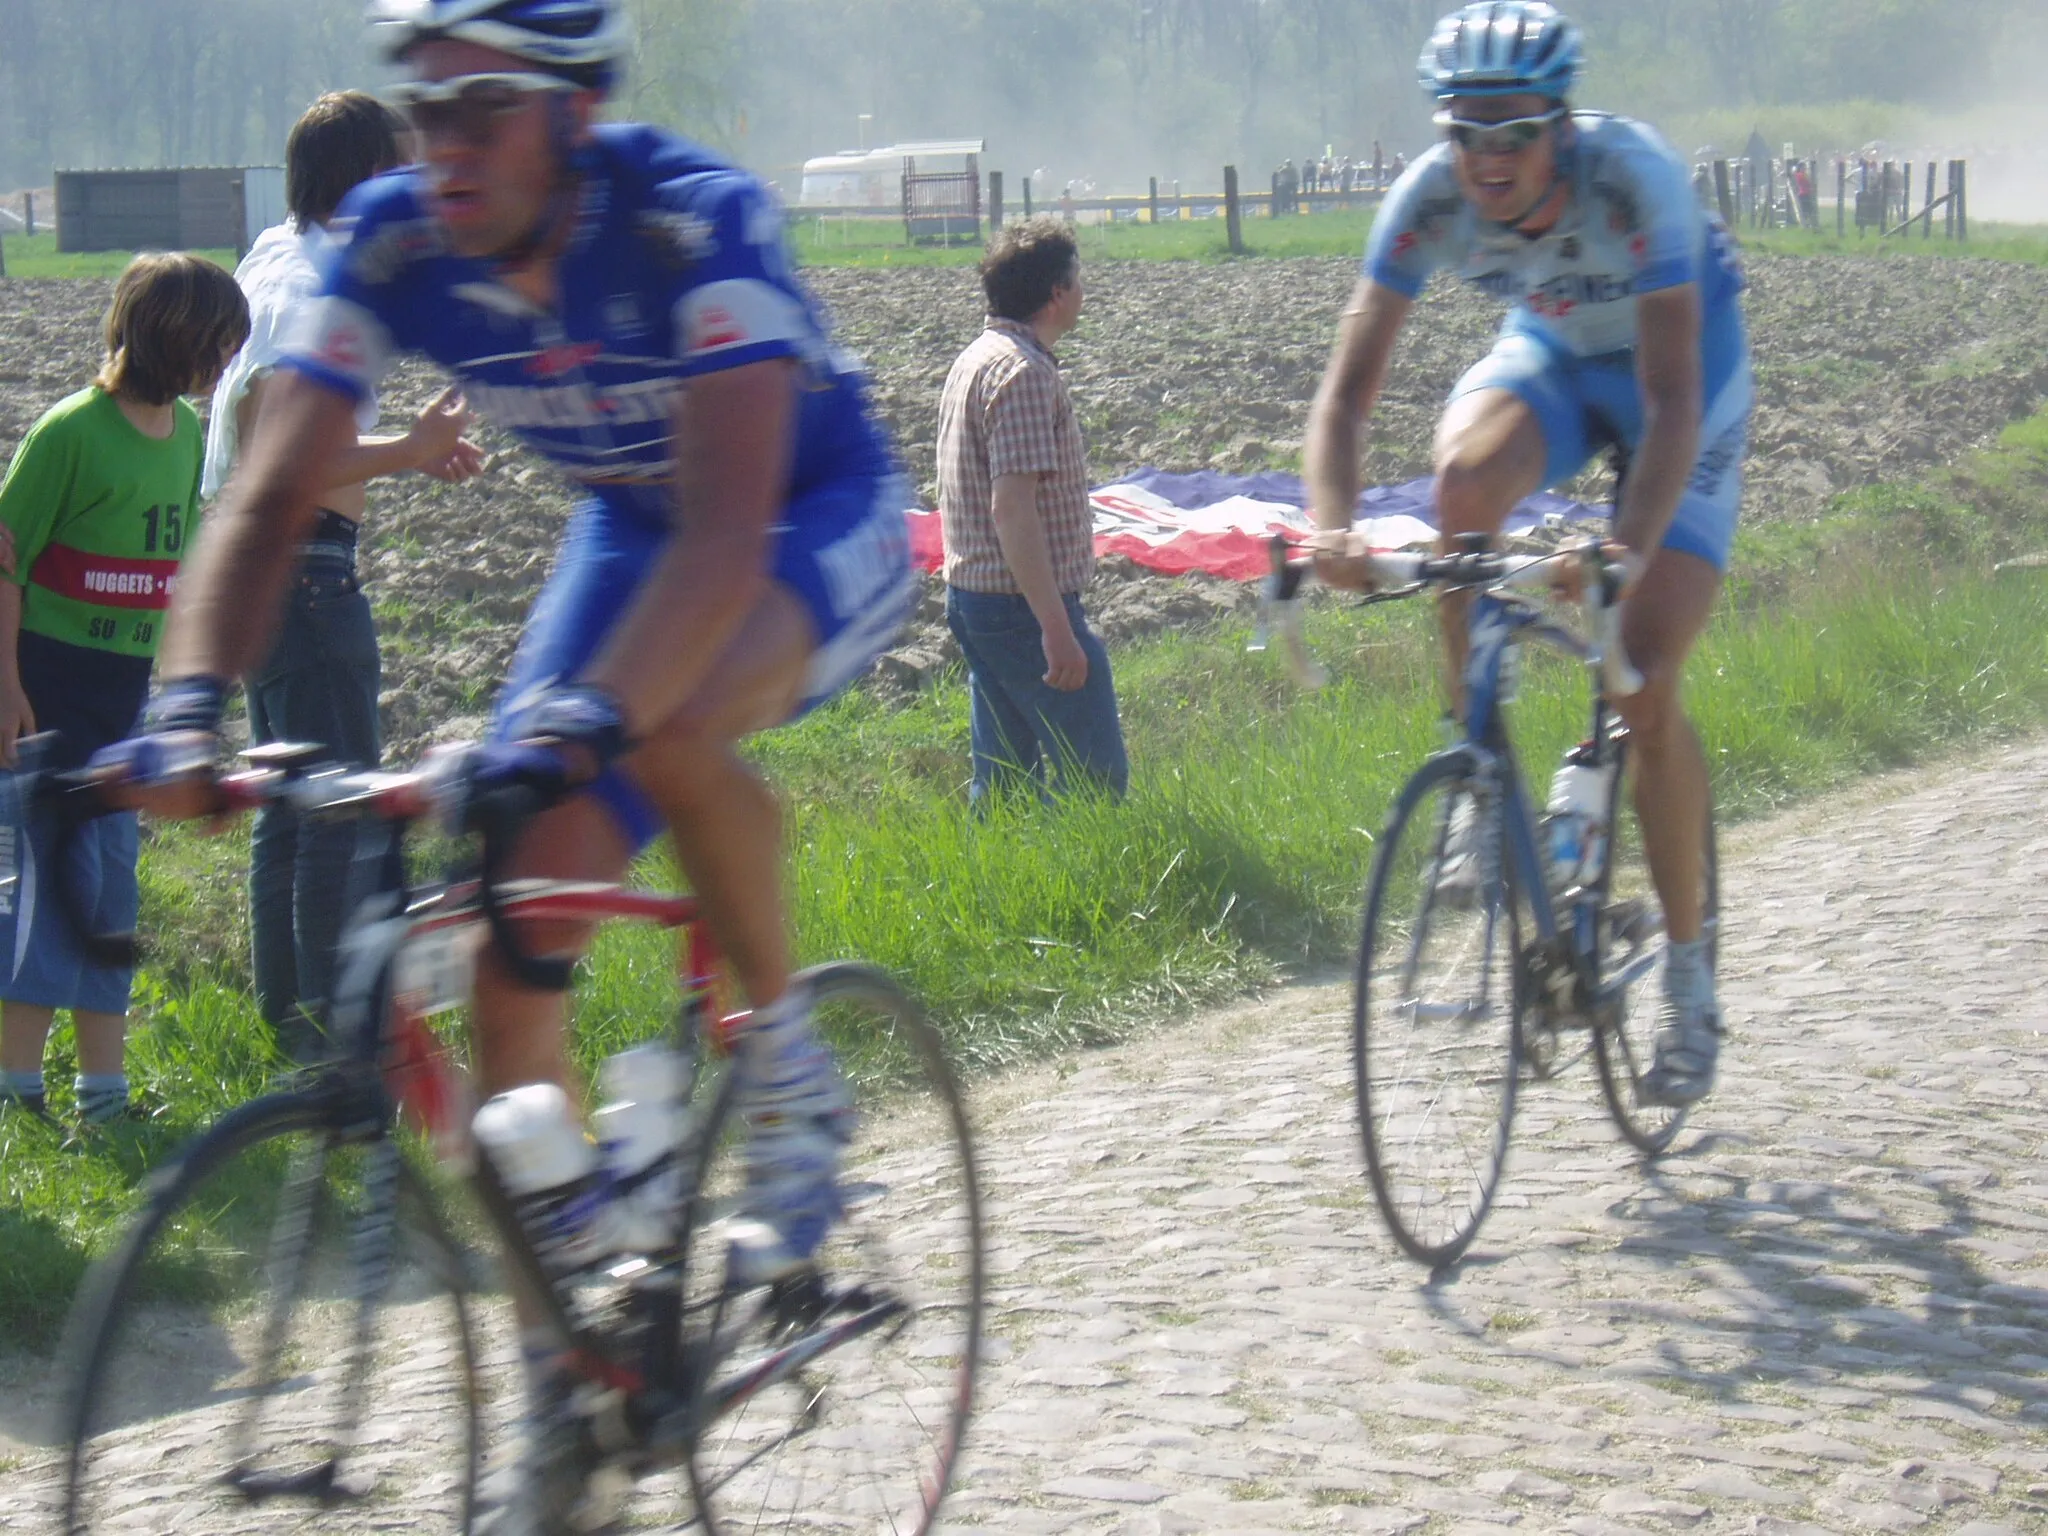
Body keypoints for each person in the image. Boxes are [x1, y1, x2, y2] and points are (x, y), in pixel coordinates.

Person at [93, 0, 913, 1517]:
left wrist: (581, 722)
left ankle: (791, 1074)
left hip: (800, 514)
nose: (444, 144)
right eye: (425, 107)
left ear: (577, 115)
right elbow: (263, 502)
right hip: (630, 531)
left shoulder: (687, 218)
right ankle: (566, 1392)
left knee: (657, 724)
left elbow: (729, 532)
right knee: (509, 925)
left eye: (485, 109)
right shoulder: (397, 241)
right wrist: (190, 708)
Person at [1302, 1, 1748, 1108]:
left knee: (1640, 676)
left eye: (1511, 130)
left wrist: (1622, 548)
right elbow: (1345, 396)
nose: (1487, 157)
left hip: (1678, 389)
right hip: (1548, 356)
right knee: (1458, 495)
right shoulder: (1429, 197)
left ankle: (1687, 977)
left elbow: (1669, 395)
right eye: (1466, 131)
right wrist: (1331, 527)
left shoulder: (1628, 178)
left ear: (1560, 121)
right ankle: (1476, 774)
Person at [209, 89, 484, 1060]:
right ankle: (336, 1047)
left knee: (288, 811)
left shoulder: (272, 260)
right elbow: (272, 446)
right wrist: (406, 449)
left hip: (262, 569)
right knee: (336, 813)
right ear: (367, 179)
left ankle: (291, 1027)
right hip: (306, 572)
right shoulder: (312, 280)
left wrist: (402, 449)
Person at [0, 254, 250, 1124]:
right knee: (48, 890)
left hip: (120, 702)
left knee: (111, 895)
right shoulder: (72, 432)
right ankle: (17, 1090)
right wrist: (6, 687)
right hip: (46, 696)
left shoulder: (183, 434)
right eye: (217, 343)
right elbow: (5, 561)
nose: (225, 362)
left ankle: (102, 1094)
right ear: (167, 334)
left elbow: (173, 575)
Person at [937, 216, 1127, 807]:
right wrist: (1056, 628)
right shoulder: (1023, 374)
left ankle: (1003, 880)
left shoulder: (977, 358)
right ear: (1056, 293)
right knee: (1094, 776)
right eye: (1078, 278)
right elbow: (1012, 508)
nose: (1082, 290)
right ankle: (1097, 883)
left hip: (975, 597)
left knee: (1005, 783)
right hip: (1018, 605)